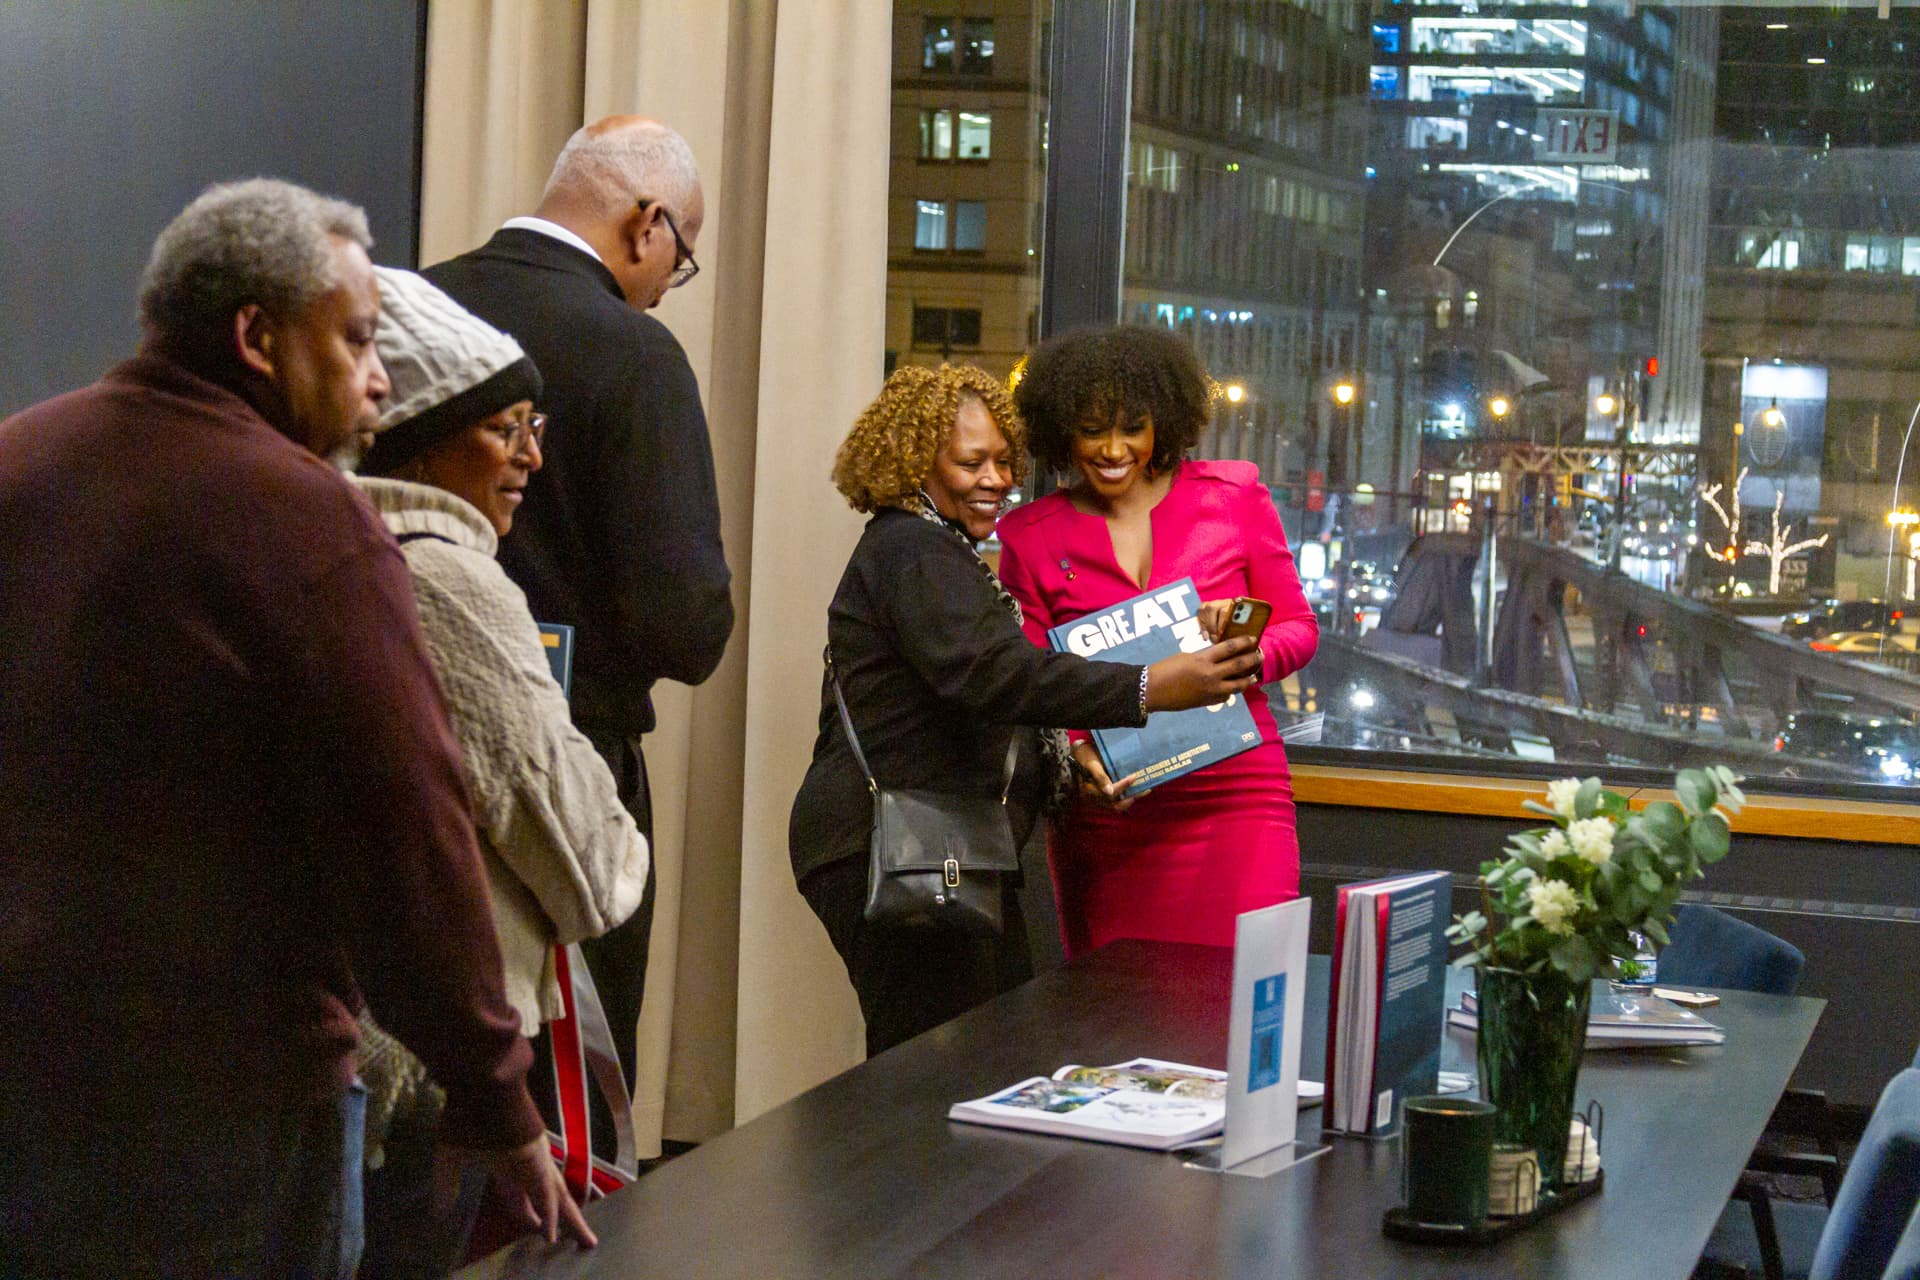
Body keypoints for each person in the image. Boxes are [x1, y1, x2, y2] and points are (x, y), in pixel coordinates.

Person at [0, 179, 591, 1278]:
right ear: (257, 336)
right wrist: (496, 1092)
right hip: (227, 1100)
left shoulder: (19, 461)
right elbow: (406, 827)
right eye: (359, 338)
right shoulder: (304, 517)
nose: (378, 382)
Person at [788, 363, 1266, 1056]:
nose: (996, 479)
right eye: (971, 461)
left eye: (1006, 461)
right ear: (912, 461)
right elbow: (995, 673)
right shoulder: (912, 549)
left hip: (933, 844)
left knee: (962, 1059)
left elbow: (980, 693)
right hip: (897, 844)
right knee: (936, 1070)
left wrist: (1068, 761)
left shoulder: (930, 547)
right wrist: (1150, 686)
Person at [426, 115, 731, 1113]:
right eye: (679, 257)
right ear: (647, 224)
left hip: (389, 739)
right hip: (565, 767)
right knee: (566, 1101)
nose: (663, 281)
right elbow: (684, 623)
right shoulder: (633, 353)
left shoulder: (409, 306)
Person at [351, 266, 651, 1275]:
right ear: (418, 437)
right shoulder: (445, 573)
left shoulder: (316, 542)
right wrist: (619, 849)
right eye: (505, 427)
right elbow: (586, 855)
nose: (530, 456)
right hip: (423, 1054)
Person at [996, 326, 1320, 960]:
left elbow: (1298, 629)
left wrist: (1248, 649)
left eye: (1133, 428)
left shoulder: (1232, 497)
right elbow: (1031, 682)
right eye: (1093, 430)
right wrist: (1080, 757)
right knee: (1120, 1022)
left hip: (1237, 801)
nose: (1114, 449)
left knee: (1245, 1005)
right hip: (1113, 822)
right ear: (1063, 430)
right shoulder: (1029, 537)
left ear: (1162, 424)